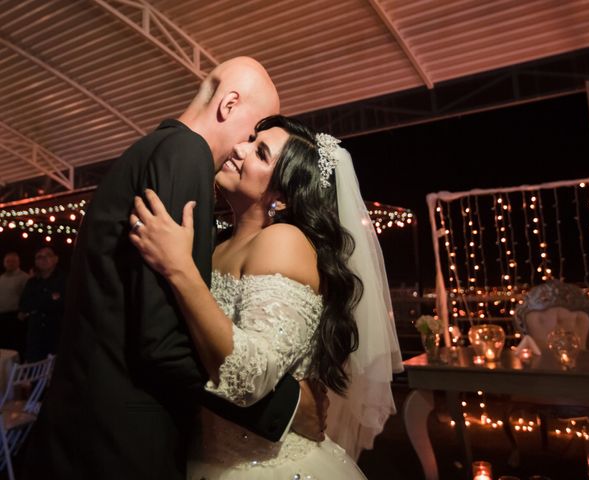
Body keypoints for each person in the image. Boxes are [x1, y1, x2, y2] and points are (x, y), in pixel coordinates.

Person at [23, 58, 325, 480]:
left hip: (110, 423)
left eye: (257, 147)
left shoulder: (158, 150)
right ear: (229, 104)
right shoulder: (185, 154)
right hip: (123, 435)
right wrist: (288, 407)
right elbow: (161, 341)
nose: (240, 147)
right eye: (252, 131)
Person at [129, 115, 403, 478]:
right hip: (197, 457)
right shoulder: (217, 244)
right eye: (251, 139)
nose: (239, 149)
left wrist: (179, 268)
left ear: (282, 197)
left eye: (259, 152)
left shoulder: (283, 241)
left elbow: (250, 377)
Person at [18, 247, 66, 361]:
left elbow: (64, 304)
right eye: (39, 257)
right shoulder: (32, 282)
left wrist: (38, 304)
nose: (43, 259)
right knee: (32, 370)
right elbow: (24, 305)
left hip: (57, 334)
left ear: (55, 259)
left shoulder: (65, 280)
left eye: (47, 256)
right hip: (35, 335)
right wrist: (51, 298)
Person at [0, 252, 29, 353]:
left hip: (15, 318)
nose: (10, 263)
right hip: (2, 317)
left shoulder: (25, 278)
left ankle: (15, 368)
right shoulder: (2, 278)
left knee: (14, 347)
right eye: (8, 261)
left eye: (13, 261)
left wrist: (23, 311)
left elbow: (28, 297)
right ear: (4, 263)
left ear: (18, 263)